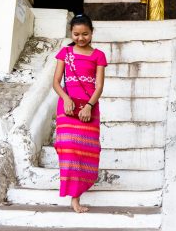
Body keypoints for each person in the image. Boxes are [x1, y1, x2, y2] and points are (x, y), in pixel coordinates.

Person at [52, 14, 107, 213]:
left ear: (92, 33)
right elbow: (56, 82)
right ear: (71, 33)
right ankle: (74, 198)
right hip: (67, 109)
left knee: (86, 152)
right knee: (69, 151)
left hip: (89, 109)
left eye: (85, 34)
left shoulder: (98, 55)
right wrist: (66, 99)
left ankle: (77, 195)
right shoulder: (65, 53)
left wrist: (89, 106)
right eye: (76, 34)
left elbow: (99, 86)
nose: (81, 38)